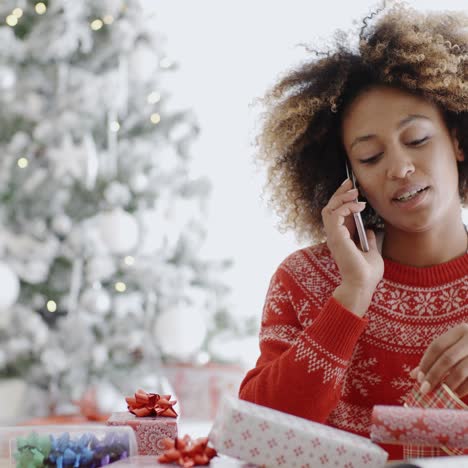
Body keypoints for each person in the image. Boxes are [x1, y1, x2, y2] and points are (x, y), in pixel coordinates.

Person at [238, 2, 468, 461]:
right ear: (347, 176)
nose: (400, 168)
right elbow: (259, 439)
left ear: (457, 139)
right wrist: (352, 296)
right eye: (369, 157)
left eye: (417, 140)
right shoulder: (304, 280)